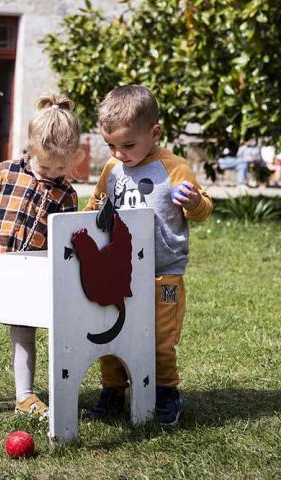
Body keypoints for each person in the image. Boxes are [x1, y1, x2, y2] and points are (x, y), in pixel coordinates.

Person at [0, 93, 84, 427]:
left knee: (24, 336)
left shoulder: (66, 194)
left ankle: (24, 396)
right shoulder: (5, 172)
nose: (52, 173)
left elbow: (64, 242)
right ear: (30, 148)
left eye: (61, 167)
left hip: (29, 277)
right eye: (45, 165)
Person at [83, 85, 213, 426]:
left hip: (162, 272)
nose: (119, 153)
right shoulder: (112, 169)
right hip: (119, 271)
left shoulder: (174, 168)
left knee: (160, 336)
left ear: (154, 132)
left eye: (128, 145)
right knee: (110, 330)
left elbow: (202, 211)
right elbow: (97, 204)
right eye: (111, 145)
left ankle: (166, 391)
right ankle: (113, 390)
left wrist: (194, 203)